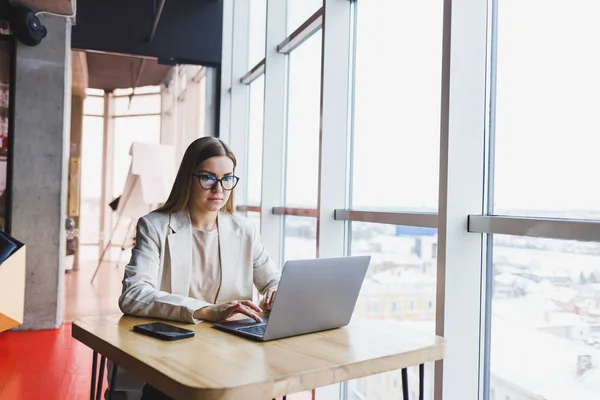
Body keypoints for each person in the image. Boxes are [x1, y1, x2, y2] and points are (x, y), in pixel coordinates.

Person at [109, 137, 281, 400]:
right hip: (173, 355)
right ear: (188, 178)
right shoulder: (154, 226)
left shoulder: (244, 230)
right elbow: (133, 295)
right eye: (208, 178)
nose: (219, 189)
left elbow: (272, 280)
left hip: (231, 354)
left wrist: (275, 291)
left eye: (227, 179)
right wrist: (206, 311)